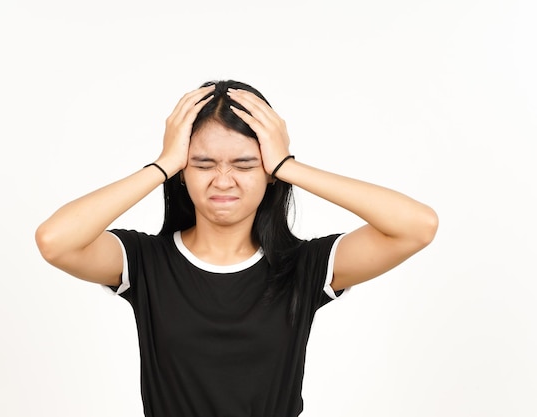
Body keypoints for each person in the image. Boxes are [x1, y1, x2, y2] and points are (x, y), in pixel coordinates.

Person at [35, 79, 438, 417]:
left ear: (268, 173)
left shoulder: (302, 267)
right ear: (182, 173)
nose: (223, 181)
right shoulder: (145, 262)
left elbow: (417, 227)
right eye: (203, 164)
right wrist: (162, 164)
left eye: (245, 165)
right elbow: (55, 241)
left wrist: (287, 165)